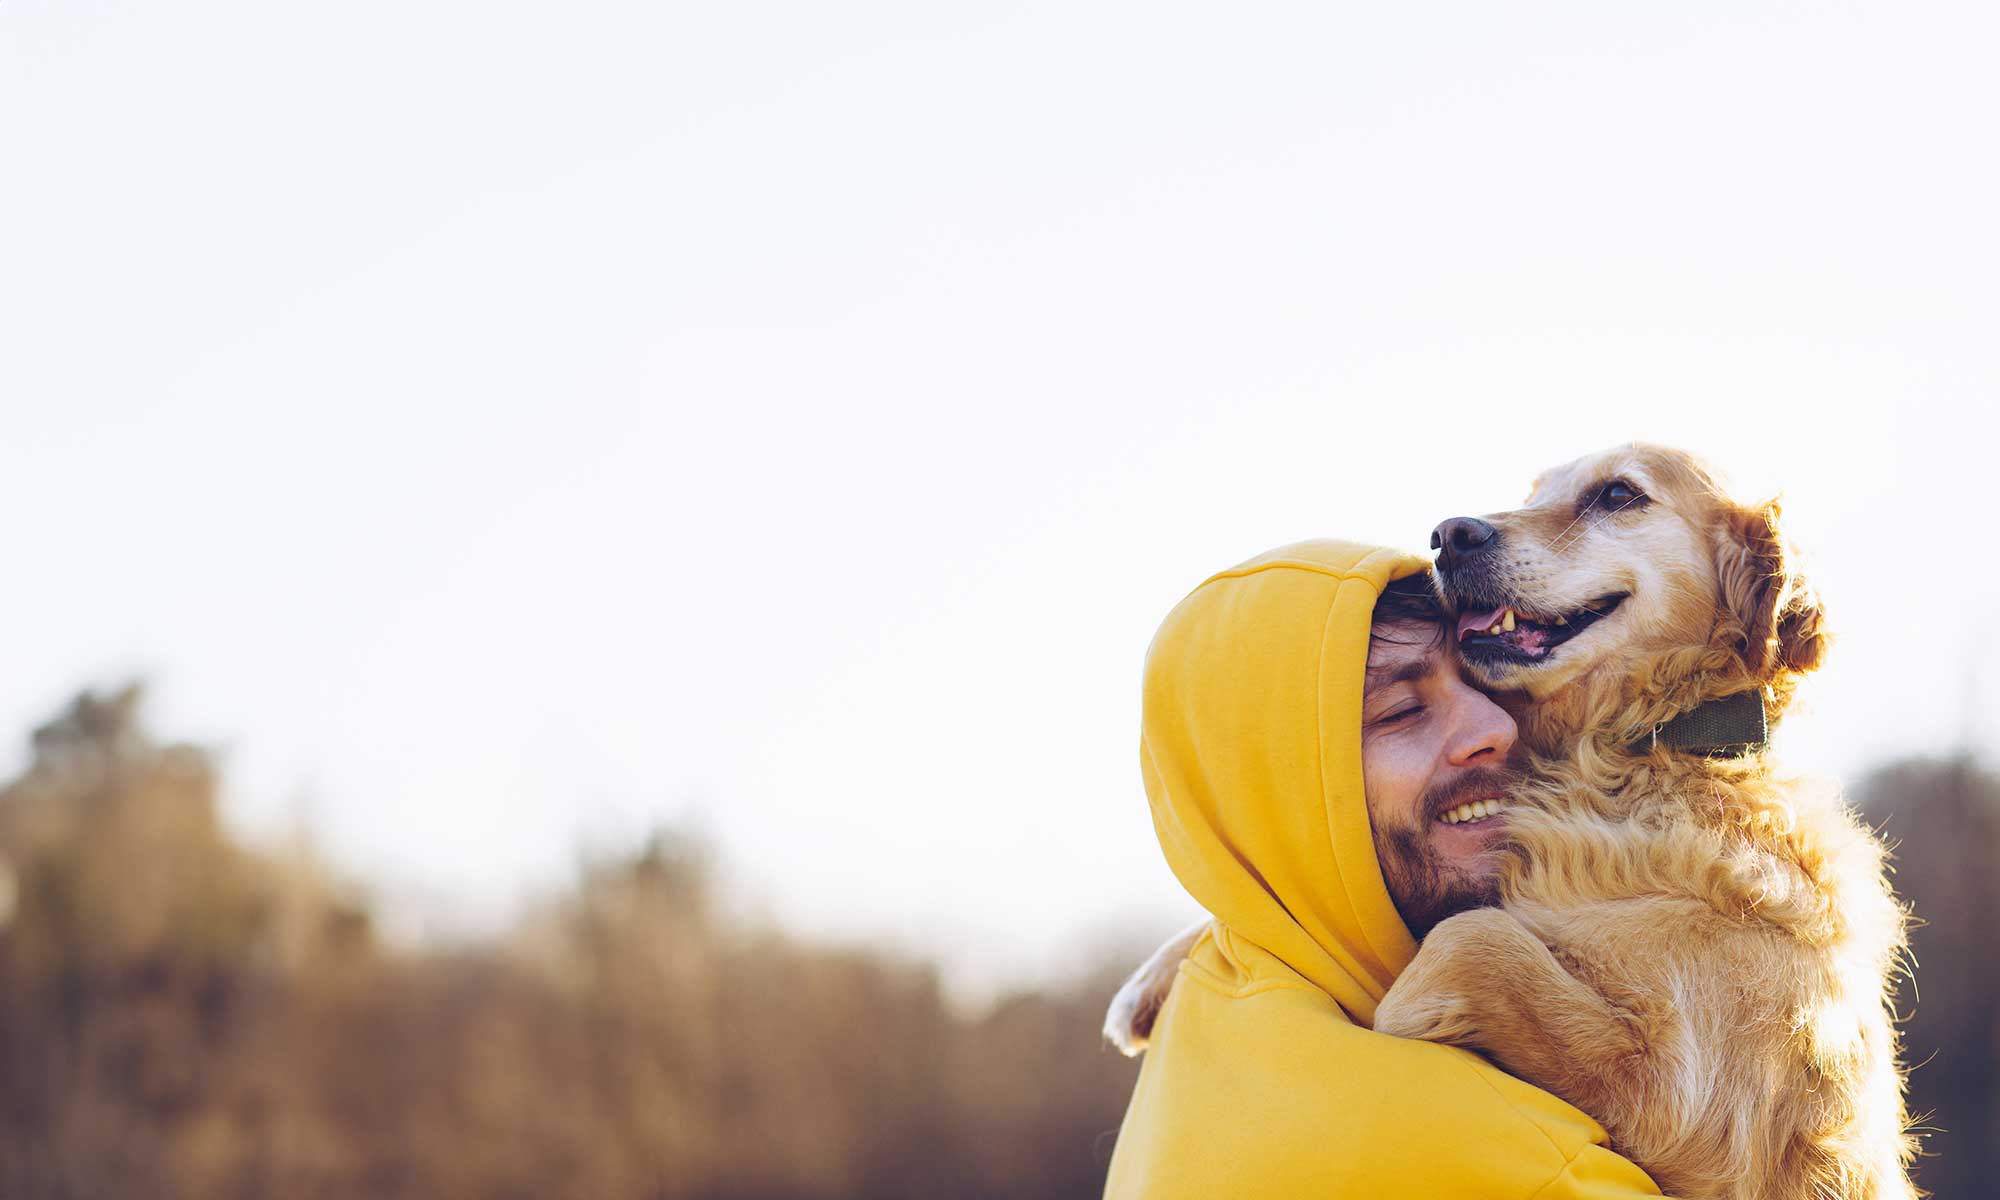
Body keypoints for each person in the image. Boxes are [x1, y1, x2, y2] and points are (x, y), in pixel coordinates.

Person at [1101, 540, 1661, 1199]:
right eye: (1402, 711)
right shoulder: (1503, 1160)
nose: (1496, 726)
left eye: (1484, 681)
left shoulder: (1207, 1007)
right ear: (1282, 798)